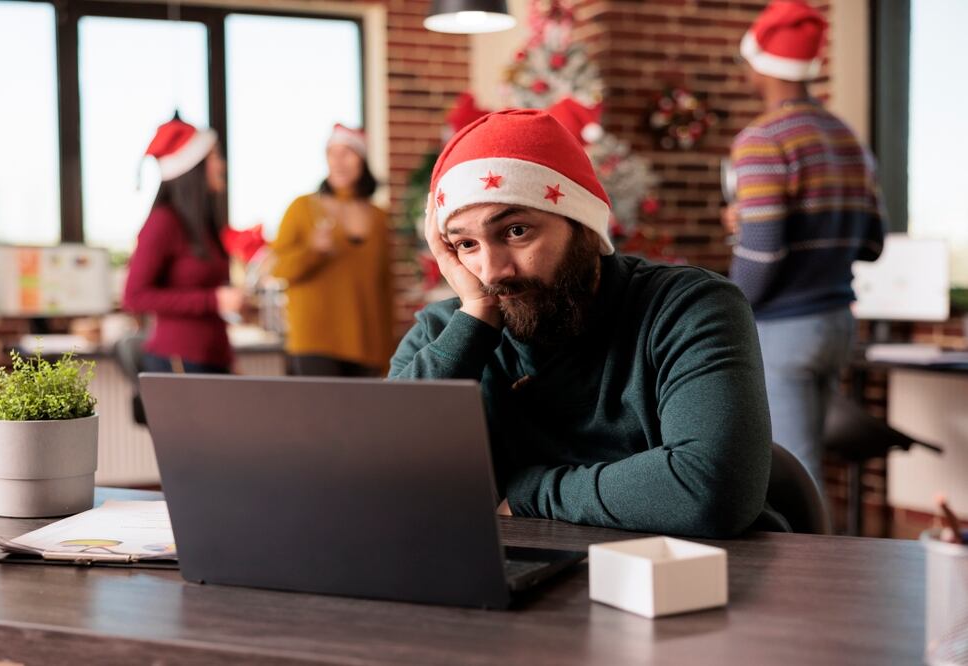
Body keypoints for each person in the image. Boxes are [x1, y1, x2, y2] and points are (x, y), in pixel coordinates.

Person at [390, 109, 783, 538]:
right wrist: (477, 317)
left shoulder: (688, 308)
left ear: (585, 226)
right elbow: (376, 475)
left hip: (691, 582)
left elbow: (711, 487)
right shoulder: (449, 330)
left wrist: (530, 493)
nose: (491, 271)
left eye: (517, 230)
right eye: (466, 244)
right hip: (519, 589)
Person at [727, 0, 886, 483]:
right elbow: (872, 244)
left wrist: (730, 306)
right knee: (807, 464)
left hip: (784, 329)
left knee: (794, 473)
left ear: (759, 63)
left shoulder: (762, 140)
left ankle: (807, 563)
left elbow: (763, 251)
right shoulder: (847, 138)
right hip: (836, 324)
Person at [271, 124, 394, 377]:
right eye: (332, 153)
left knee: (365, 417)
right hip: (314, 341)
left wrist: (388, 351)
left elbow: (385, 289)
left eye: (347, 152)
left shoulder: (380, 217)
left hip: (367, 344)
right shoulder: (302, 207)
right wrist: (313, 250)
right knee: (319, 417)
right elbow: (279, 268)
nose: (338, 161)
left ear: (362, 159)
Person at [123, 116, 242, 374]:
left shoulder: (204, 225)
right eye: (215, 157)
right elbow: (134, 296)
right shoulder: (163, 222)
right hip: (178, 362)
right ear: (194, 167)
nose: (222, 165)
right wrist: (212, 300)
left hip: (215, 358)